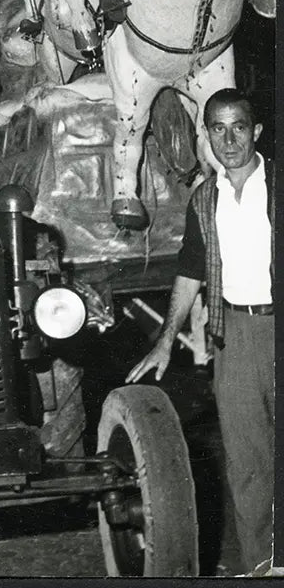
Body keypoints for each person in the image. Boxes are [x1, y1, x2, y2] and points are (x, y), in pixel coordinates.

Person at [125, 90, 273, 576]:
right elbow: (191, 269)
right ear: (205, 135)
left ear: (257, 131)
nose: (228, 139)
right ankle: (262, 567)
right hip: (236, 336)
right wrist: (167, 338)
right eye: (217, 128)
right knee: (248, 464)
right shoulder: (205, 198)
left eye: (238, 127)